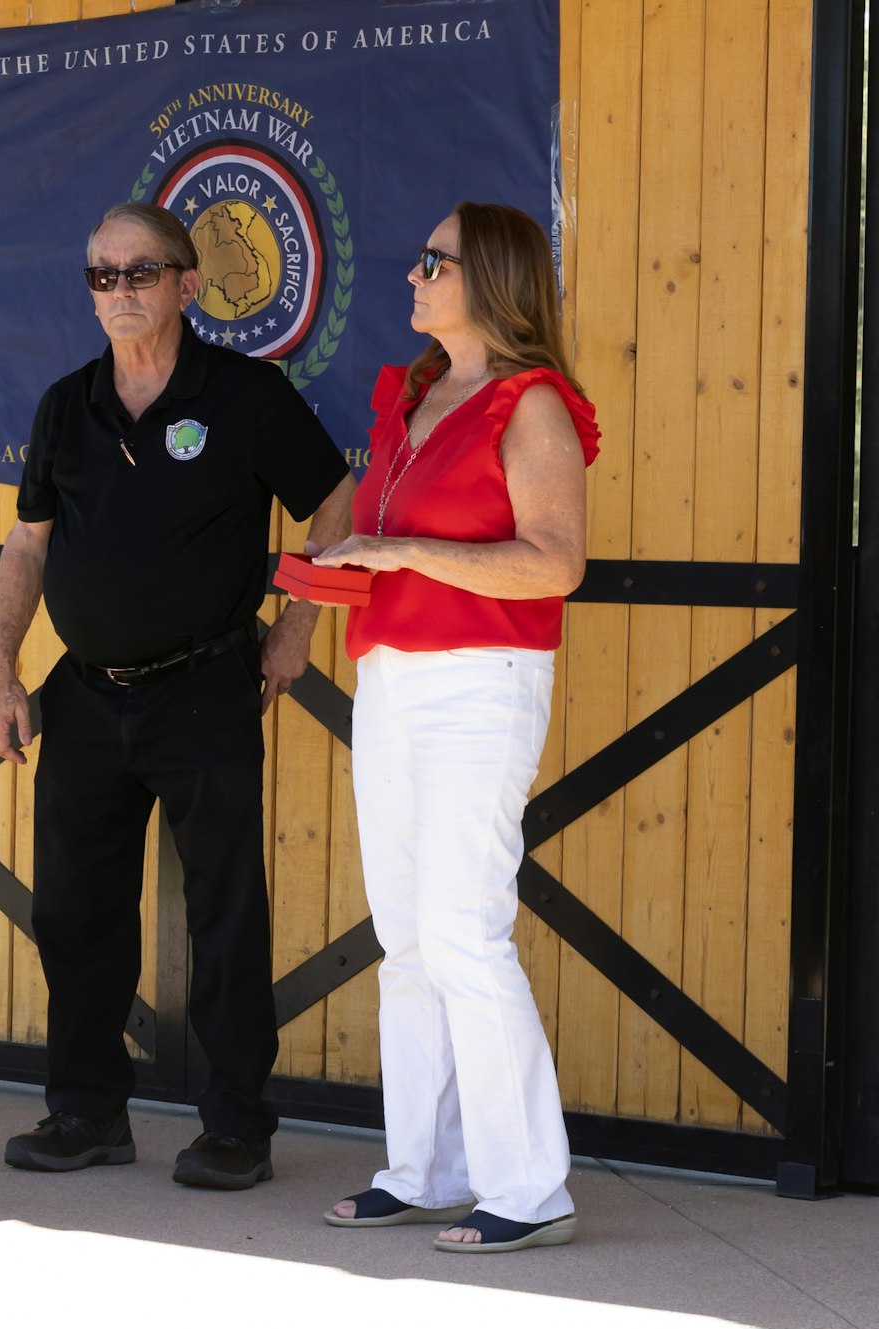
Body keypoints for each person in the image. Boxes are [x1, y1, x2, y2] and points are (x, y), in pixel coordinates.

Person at [0, 202, 354, 1189]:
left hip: (204, 688)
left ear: (187, 285)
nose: (117, 293)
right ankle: (85, 1111)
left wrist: (296, 623)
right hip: (84, 698)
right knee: (72, 911)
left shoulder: (244, 394)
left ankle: (236, 1127)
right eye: (99, 276)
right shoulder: (65, 405)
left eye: (137, 273)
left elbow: (333, 494)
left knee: (224, 916)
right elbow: (27, 542)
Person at [313, 201, 598, 1252]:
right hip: (390, 672)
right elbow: (394, 540)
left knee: (464, 927)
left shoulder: (530, 405)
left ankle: (527, 1187)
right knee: (405, 934)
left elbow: (553, 560)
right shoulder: (417, 397)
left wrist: (399, 555)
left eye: (432, 260)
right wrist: (346, 565)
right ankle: (422, 1166)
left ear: (489, 278)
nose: (413, 276)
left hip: (482, 678)